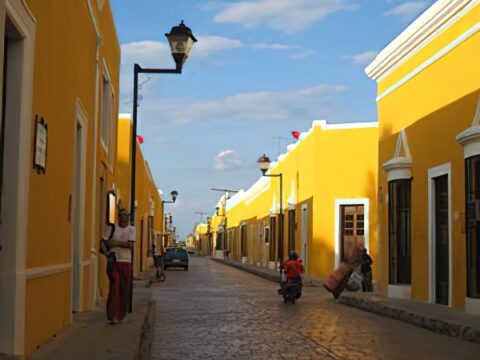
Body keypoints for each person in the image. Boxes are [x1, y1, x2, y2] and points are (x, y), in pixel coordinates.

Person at [103, 208, 135, 324]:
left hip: (126, 262)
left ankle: (120, 315)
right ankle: (112, 316)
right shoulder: (111, 228)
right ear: (118, 216)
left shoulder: (131, 229)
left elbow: (130, 245)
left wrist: (115, 243)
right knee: (114, 286)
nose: (123, 218)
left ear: (128, 217)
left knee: (124, 289)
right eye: (121, 215)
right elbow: (106, 242)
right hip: (113, 260)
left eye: (125, 216)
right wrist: (123, 244)